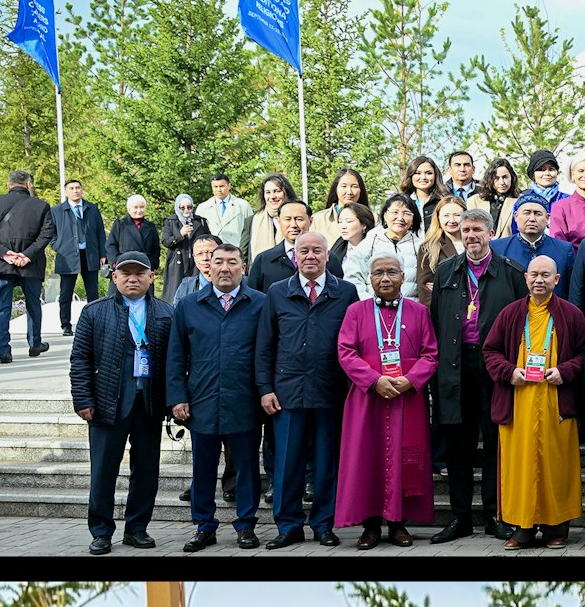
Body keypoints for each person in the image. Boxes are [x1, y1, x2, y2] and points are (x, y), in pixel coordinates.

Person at [430, 208, 529, 543]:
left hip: (495, 369)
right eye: (465, 229)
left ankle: (494, 515)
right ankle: (460, 517)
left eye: (477, 229)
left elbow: (522, 325)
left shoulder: (511, 273)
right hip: (455, 368)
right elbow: (435, 323)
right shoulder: (446, 271)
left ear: (490, 233)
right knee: (458, 445)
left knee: (494, 444)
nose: (470, 235)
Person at [255, 231, 354, 550]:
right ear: (294, 257)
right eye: (303, 251)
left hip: (331, 391)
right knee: (287, 463)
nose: (310, 256)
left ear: (328, 256)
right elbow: (265, 344)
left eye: (317, 251)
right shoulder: (277, 292)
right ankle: (288, 526)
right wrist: (265, 388)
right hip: (287, 393)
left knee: (327, 462)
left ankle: (324, 524)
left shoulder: (346, 293)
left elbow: (354, 343)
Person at [167, 241, 268, 551]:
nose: (225, 268)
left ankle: (246, 526)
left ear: (243, 268)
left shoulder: (260, 304)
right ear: (207, 267)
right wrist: (177, 397)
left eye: (232, 262)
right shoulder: (189, 305)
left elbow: (267, 353)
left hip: (245, 400)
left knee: (247, 468)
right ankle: (204, 526)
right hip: (202, 401)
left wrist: (265, 392)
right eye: (218, 262)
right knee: (203, 468)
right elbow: (175, 355)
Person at [483, 254, 585, 549]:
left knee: (556, 465)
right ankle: (523, 527)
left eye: (546, 275)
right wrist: (509, 372)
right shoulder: (510, 314)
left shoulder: (570, 314)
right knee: (521, 466)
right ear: (525, 278)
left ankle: (556, 528)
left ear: (557, 280)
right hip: (519, 401)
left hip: (556, 401)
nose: (539, 280)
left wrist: (564, 371)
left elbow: (584, 355)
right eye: (534, 275)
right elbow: (490, 352)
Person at [335, 253, 439, 549]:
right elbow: (345, 352)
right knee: (366, 457)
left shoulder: (419, 312)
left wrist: (410, 380)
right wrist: (374, 380)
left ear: (402, 277)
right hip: (368, 398)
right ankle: (369, 526)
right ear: (370, 279)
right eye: (378, 273)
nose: (385, 278)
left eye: (391, 272)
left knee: (406, 460)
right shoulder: (356, 311)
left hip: (407, 398)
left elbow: (430, 354)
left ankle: (398, 524)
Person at [70, 252, 172, 555]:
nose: (132, 279)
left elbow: (176, 361)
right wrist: (83, 399)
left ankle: (137, 528)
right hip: (106, 404)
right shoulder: (94, 312)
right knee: (103, 471)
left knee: (147, 471)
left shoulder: (166, 313)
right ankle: (101, 531)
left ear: (151, 277)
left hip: (149, 404)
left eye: (139, 273)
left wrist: (174, 402)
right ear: (114, 277)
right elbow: (80, 360)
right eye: (125, 273)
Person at [0, 170, 56, 363]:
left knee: (2, 307)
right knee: (33, 305)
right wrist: (27, 255)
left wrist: (5, 254)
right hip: (31, 263)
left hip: (2, 263)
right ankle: (35, 343)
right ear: (28, 184)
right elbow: (47, 234)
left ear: (8, 185)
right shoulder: (41, 205)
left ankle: (4, 350)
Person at [50, 179, 108, 335]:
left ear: (82, 190)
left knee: (93, 292)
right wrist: (58, 246)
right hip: (68, 256)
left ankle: (95, 323)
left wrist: (103, 253)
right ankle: (66, 324)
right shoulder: (57, 211)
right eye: (72, 188)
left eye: (77, 188)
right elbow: (50, 234)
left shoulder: (92, 208)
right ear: (66, 191)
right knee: (66, 292)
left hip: (90, 254)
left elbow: (100, 232)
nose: (75, 191)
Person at [352, 195, 424, 302]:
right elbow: (353, 277)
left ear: (413, 219)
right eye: (395, 212)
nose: (400, 218)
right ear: (385, 215)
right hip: (373, 310)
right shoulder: (370, 242)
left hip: (408, 312)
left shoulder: (420, 247)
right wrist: (368, 303)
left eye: (407, 213)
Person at [492, 196, 574, 285]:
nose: (532, 219)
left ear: (547, 218)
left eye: (537, 214)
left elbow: (572, 287)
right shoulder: (497, 248)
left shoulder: (564, 250)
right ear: (516, 216)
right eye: (526, 213)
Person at [245, 200, 316, 293]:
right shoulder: (263, 260)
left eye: (299, 219)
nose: (293, 225)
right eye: (287, 219)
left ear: (310, 221)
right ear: (279, 221)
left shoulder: (326, 258)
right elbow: (253, 298)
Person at [413, 194, 468, 308]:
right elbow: (425, 291)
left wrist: (442, 286)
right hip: (445, 310)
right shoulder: (428, 247)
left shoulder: (474, 243)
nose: (451, 220)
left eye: (457, 215)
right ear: (438, 218)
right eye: (446, 216)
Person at [548, 155, 585, 245]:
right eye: (581, 171)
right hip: (574, 257)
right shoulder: (560, 207)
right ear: (573, 175)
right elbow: (559, 244)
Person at [197, 175, 254, 258]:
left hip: (236, 249)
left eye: (221, 186)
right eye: (215, 187)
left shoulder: (243, 205)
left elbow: (251, 229)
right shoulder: (203, 208)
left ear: (229, 186)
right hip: (212, 252)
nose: (219, 190)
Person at [310, 169, 367, 247]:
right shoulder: (318, 220)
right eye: (344, 186)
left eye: (354, 186)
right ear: (336, 189)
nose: (349, 192)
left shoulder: (374, 219)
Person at [481, 160, 521, 237]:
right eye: (496, 178)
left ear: (512, 178)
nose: (502, 182)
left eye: (505, 177)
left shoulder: (520, 201)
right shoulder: (475, 201)